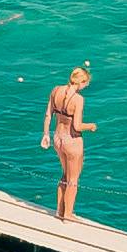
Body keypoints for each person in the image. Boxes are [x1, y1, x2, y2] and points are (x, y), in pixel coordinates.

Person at [39, 65, 95, 220]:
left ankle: (60, 211)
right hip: (72, 141)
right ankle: (68, 215)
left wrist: (46, 135)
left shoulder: (56, 90)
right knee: (73, 179)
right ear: (81, 82)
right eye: (85, 84)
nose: (85, 87)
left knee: (64, 175)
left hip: (57, 138)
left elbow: (48, 116)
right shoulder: (78, 99)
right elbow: (77, 126)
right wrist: (90, 126)